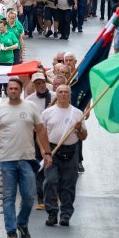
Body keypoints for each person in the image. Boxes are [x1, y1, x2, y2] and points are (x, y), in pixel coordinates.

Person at [0, 78, 53, 238]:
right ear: (7, 90)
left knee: (29, 196)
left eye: (16, 88)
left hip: (27, 159)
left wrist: (46, 152)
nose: (13, 91)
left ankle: (22, 223)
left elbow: (41, 130)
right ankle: (11, 230)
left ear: (21, 90)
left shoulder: (30, 107)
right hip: (7, 159)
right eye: (11, 88)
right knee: (8, 196)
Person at [41, 84, 87, 227]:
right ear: (56, 95)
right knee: (50, 181)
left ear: (70, 95)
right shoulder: (47, 113)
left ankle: (65, 215)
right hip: (52, 151)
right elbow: (41, 134)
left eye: (65, 92)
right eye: (60, 92)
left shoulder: (78, 113)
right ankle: (52, 213)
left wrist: (79, 129)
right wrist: (45, 152)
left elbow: (84, 136)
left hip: (71, 151)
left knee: (68, 184)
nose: (63, 94)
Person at [25, 73, 55, 209]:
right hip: (36, 136)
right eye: (37, 83)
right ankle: (41, 198)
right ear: (33, 85)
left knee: (53, 168)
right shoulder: (30, 101)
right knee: (39, 166)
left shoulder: (55, 97)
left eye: (42, 82)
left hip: (53, 136)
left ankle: (54, 196)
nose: (41, 85)